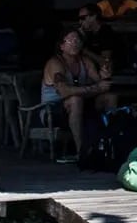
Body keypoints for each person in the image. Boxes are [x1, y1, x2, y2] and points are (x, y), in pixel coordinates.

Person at [40, 29, 114, 163]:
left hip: (80, 106)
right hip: (52, 110)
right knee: (75, 100)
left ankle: (110, 144)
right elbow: (64, 92)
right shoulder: (55, 63)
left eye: (78, 40)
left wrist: (104, 77)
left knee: (110, 97)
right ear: (62, 46)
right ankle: (82, 152)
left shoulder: (85, 61)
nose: (75, 43)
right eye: (71, 40)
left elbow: (101, 83)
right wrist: (94, 88)